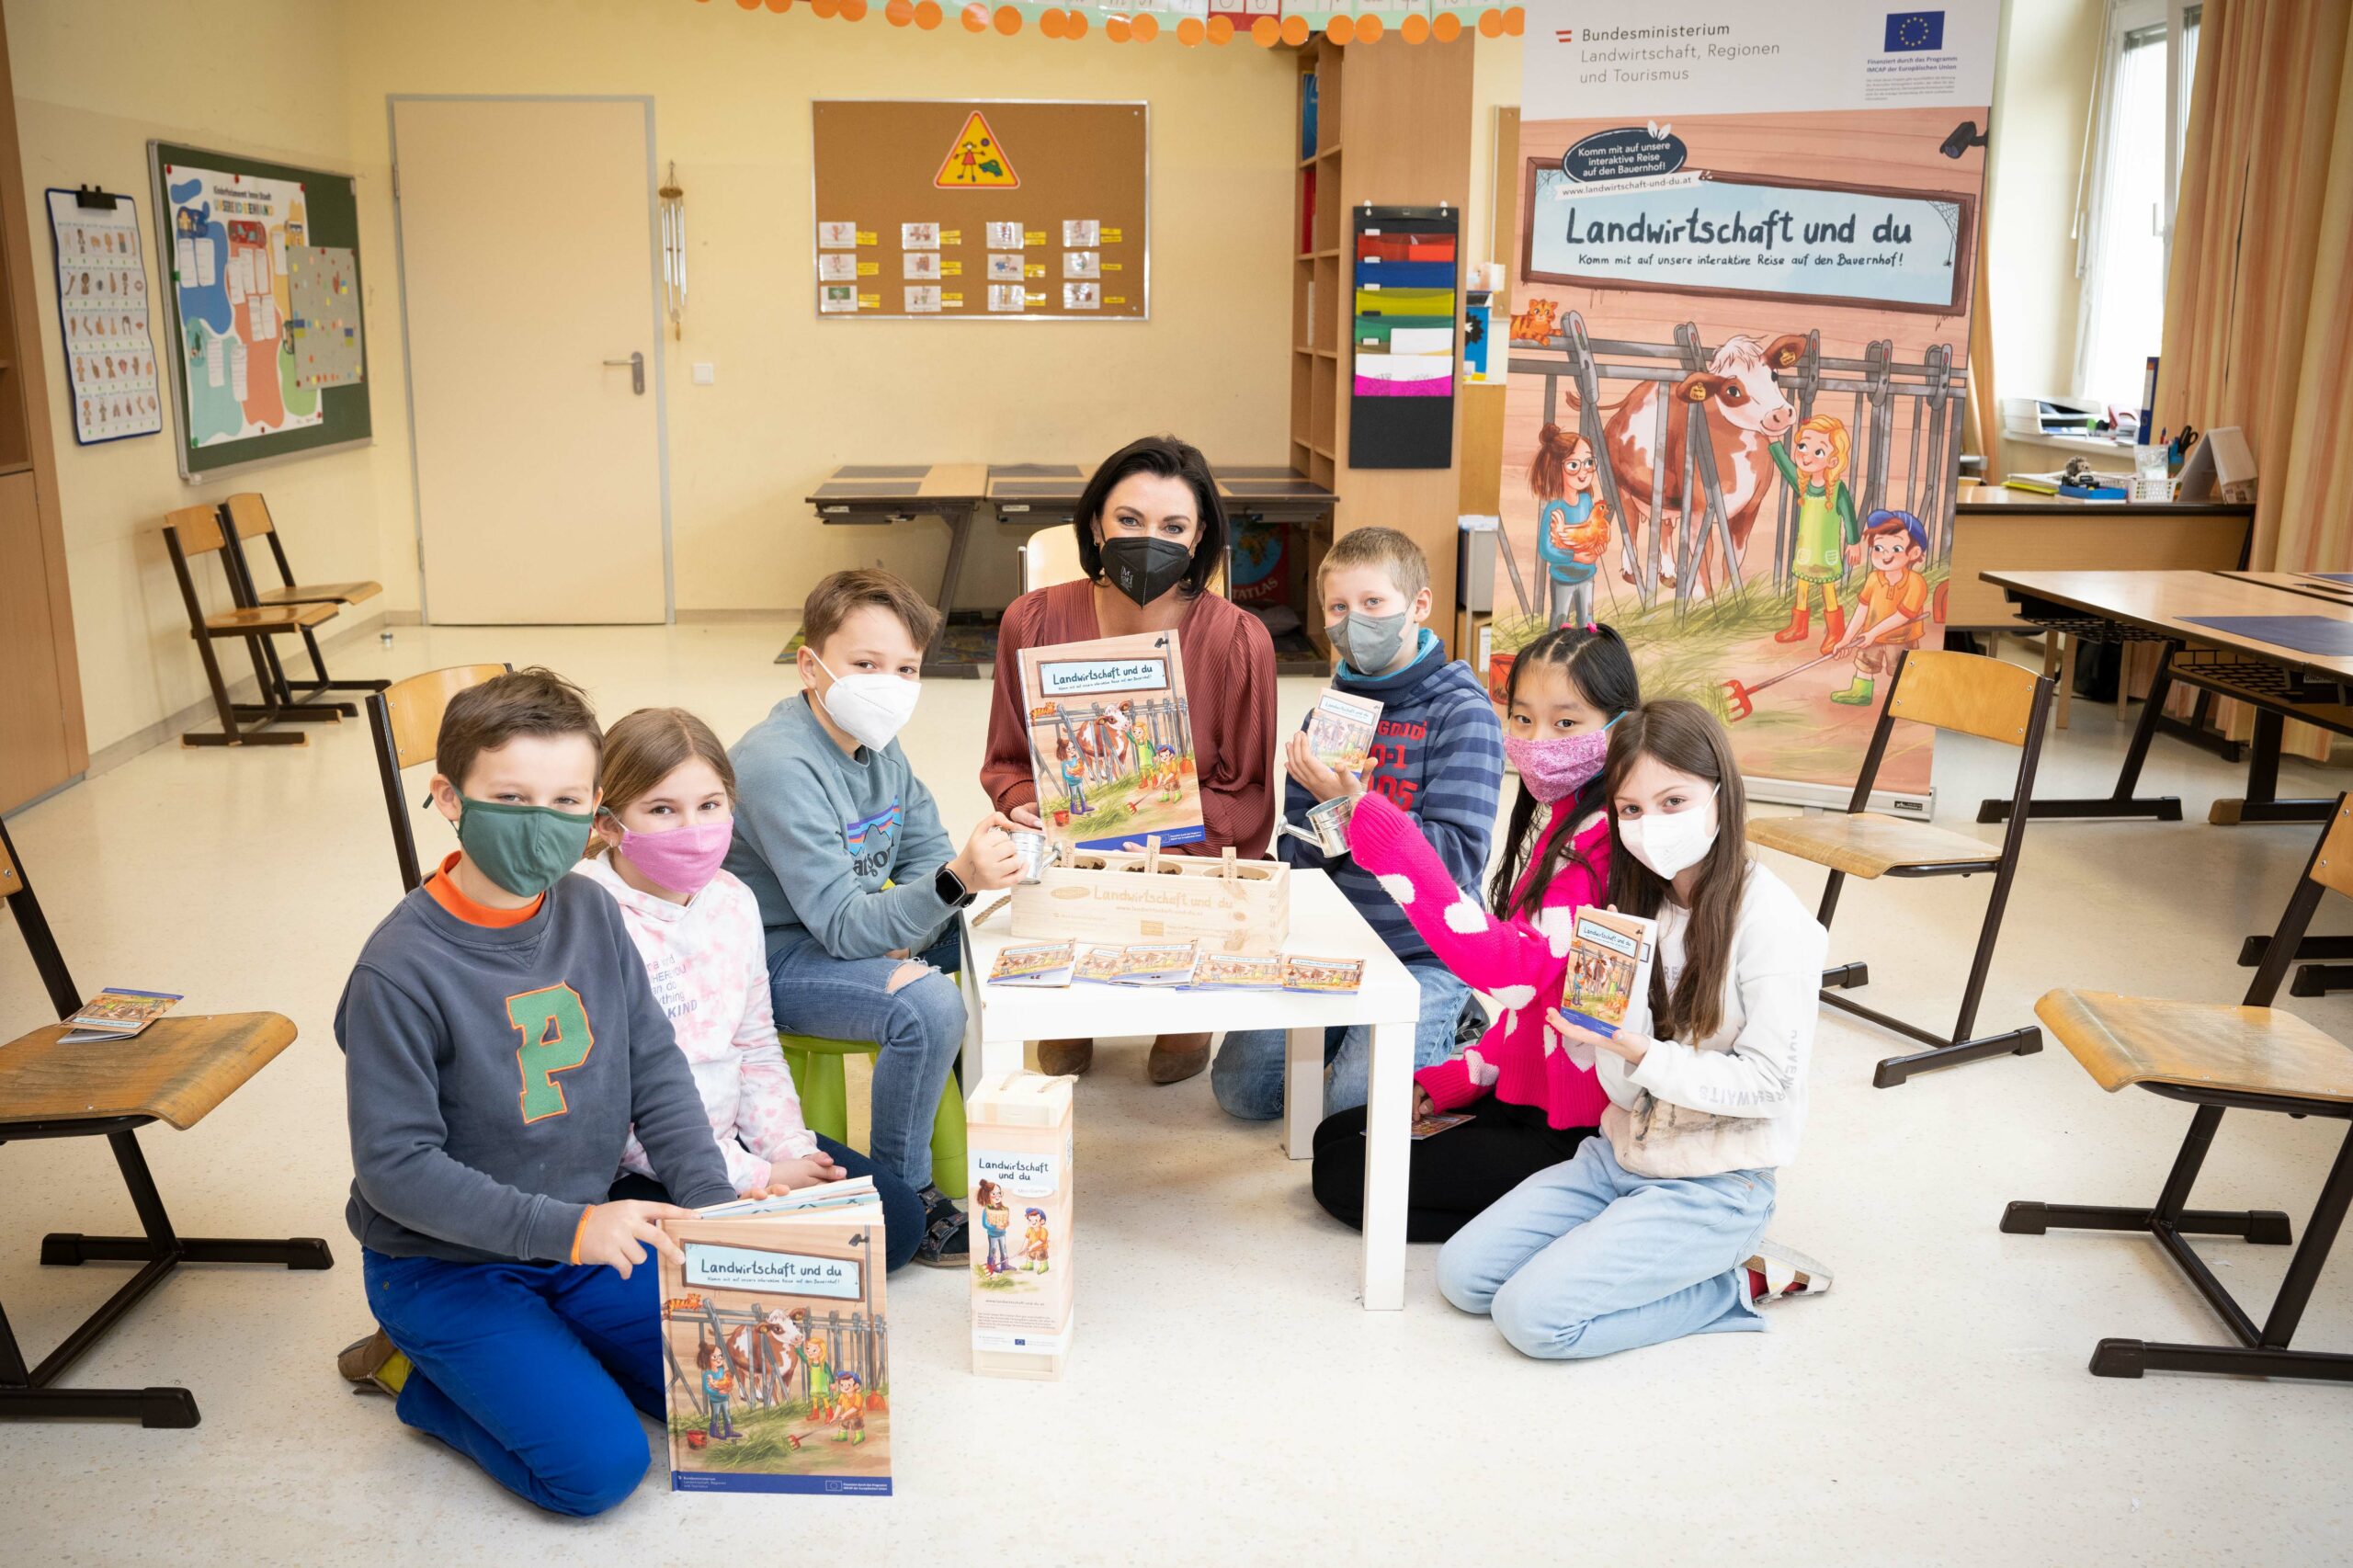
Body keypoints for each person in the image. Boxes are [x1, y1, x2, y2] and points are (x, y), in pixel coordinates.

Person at [331, 668, 738, 1517]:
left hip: (577, 1241)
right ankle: (421, 1380)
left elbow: (655, 1068)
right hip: (446, 1266)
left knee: (736, 1402)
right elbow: (394, 1169)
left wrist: (710, 1209)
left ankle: (543, 1357)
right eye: (511, 797)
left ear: (595, 810)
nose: (540, 823)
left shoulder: (591, 913)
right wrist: (576, 1228)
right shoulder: (398, 971)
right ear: (449, 797)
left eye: (564, 802)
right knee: (596, 1473)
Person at [1435, 699, 1834, 1360]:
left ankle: (1738, 1281)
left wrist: (1640, 1051)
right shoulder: (1631, 906)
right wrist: (1595, 1045)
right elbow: (1621, 1088)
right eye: (1631, 810)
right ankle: (1635, 1250)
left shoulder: (1772, 923)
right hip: (1616, 1157)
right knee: (1464, 1278)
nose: (1652, 826)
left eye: (1674, 800)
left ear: (1722, 794)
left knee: (1533, 1321)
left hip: (1716, 1183)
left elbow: (1770, 1087)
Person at [725, 569, 1027, 1268]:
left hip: (837, 938)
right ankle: (910, 1192)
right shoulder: (780, 765)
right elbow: (848, 923)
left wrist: (941, 897)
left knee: (970, 949)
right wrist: (949, 887)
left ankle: (950, 1139)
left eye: (906, 668)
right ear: (811, 663)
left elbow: (927, 855)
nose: (887, 684)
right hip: (774, 959)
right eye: (865, 665)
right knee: (925, 1006)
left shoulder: (879, 746)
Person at [1310, 624, 1640, 1239]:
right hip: (1530, 1090)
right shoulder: (1563, 823)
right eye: (1522, 719)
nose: (1538, 741)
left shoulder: (1605, 847)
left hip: (1574, 1129)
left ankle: (1571, 1210)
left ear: (1619, 724)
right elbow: (1528, 1011)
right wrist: (1457, 1079)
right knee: (1334, 1137)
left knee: (1341, 1176)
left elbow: (1501, 970)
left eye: (1566, 723)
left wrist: (1381, 827)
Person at [575, 705, 929, 1270]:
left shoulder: (733, 899)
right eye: (662, 810)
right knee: (725, 1270)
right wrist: (752, 1178)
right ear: (608, 822)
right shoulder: (586, 920)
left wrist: (790, 1155)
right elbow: (615, 1112)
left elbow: (755, 1043)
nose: (694, 830)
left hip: (738, 1140)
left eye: (710, 806)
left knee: (900, 1223)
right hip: (644, 1165)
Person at [981, 434, 1278, 1085]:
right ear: (1095, 522)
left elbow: (1248, 792)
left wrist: (1150, 816)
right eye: (1129, 520)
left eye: (1175, 526)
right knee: (1056, 873)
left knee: (1178, 871)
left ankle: (1183, 1010)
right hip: (1070, 840)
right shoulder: (1029, 622)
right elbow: (1007, 757)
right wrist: (1029, 803)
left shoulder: (1237, 640)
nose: (1152, 539)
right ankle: (1071, 1004)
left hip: (1186, 849)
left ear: (1199, 539)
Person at [1211, 526, 1502, 1121]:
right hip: (1341, 938)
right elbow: (1299, 849)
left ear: (1418, 605)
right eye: (1339, 608)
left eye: (1373, 604)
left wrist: (1354, 809)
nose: (1354, 622)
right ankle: (1354, 1030)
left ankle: (1460, 1021)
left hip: (1427, 949)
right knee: (1240, 1093)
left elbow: (1457, 858)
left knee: (1349, 1112)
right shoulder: (1331, 711)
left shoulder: (1463, 711)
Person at [1768, 414, 1859, 652]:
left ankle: (1836, 631)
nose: (1806, 455)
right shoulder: (1803, 483)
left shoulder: (1837, 488)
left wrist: (1853, 541)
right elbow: (1787, 466)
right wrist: (1774, 442)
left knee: (1827, 587)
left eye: (1818, 452)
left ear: (1832, 460)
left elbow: (1848, 513)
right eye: (1802, 446)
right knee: (1803, 584)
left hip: (1826, 550)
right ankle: (1799, 627)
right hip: (1806, 548)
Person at [1831, 508, 1931, 706]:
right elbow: (1862, 609)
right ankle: (1860, 692)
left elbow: (1902, 616)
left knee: (1901, 669)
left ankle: (1908, 698)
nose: (1885, 555)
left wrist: (1873, 633)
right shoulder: (1873, 579)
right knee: (1865, 663)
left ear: (1914, 553)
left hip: (1902, 638)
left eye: (1895, 549)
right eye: (1878, 548)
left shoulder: (1915, 582)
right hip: (1871, 637)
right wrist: (1846, 639)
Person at [1529, 423, 1612, 629]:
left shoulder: (1586, 502)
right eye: (1574, 465)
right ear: (1558, 467)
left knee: (1587, 622)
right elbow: (1546, 550)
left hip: (1587, 575)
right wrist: (1575, 556)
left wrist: (1595, 551)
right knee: (1559, 621)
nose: (1583, 472)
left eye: (1589, 463)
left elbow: (1590, 538)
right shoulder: (1554, 509)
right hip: (1563, 578)